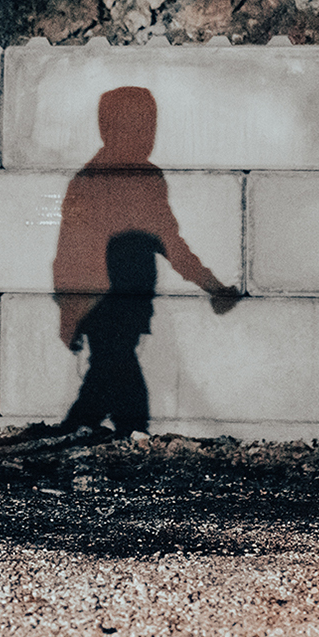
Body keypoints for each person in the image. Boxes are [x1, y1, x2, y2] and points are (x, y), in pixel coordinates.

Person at [50, 86, 240, 436]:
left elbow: (68, 254)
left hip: (110, 305)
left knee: (110, 372)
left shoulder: (97, 179)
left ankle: (90, 433)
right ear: (108, 128)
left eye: (148, 126)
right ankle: (94, 433)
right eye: (135, 126)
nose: (144, 136)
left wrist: (69, 312)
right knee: (117, 376)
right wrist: (212, 286)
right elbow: (169, 244)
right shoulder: (131, 181)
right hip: (111, 304)